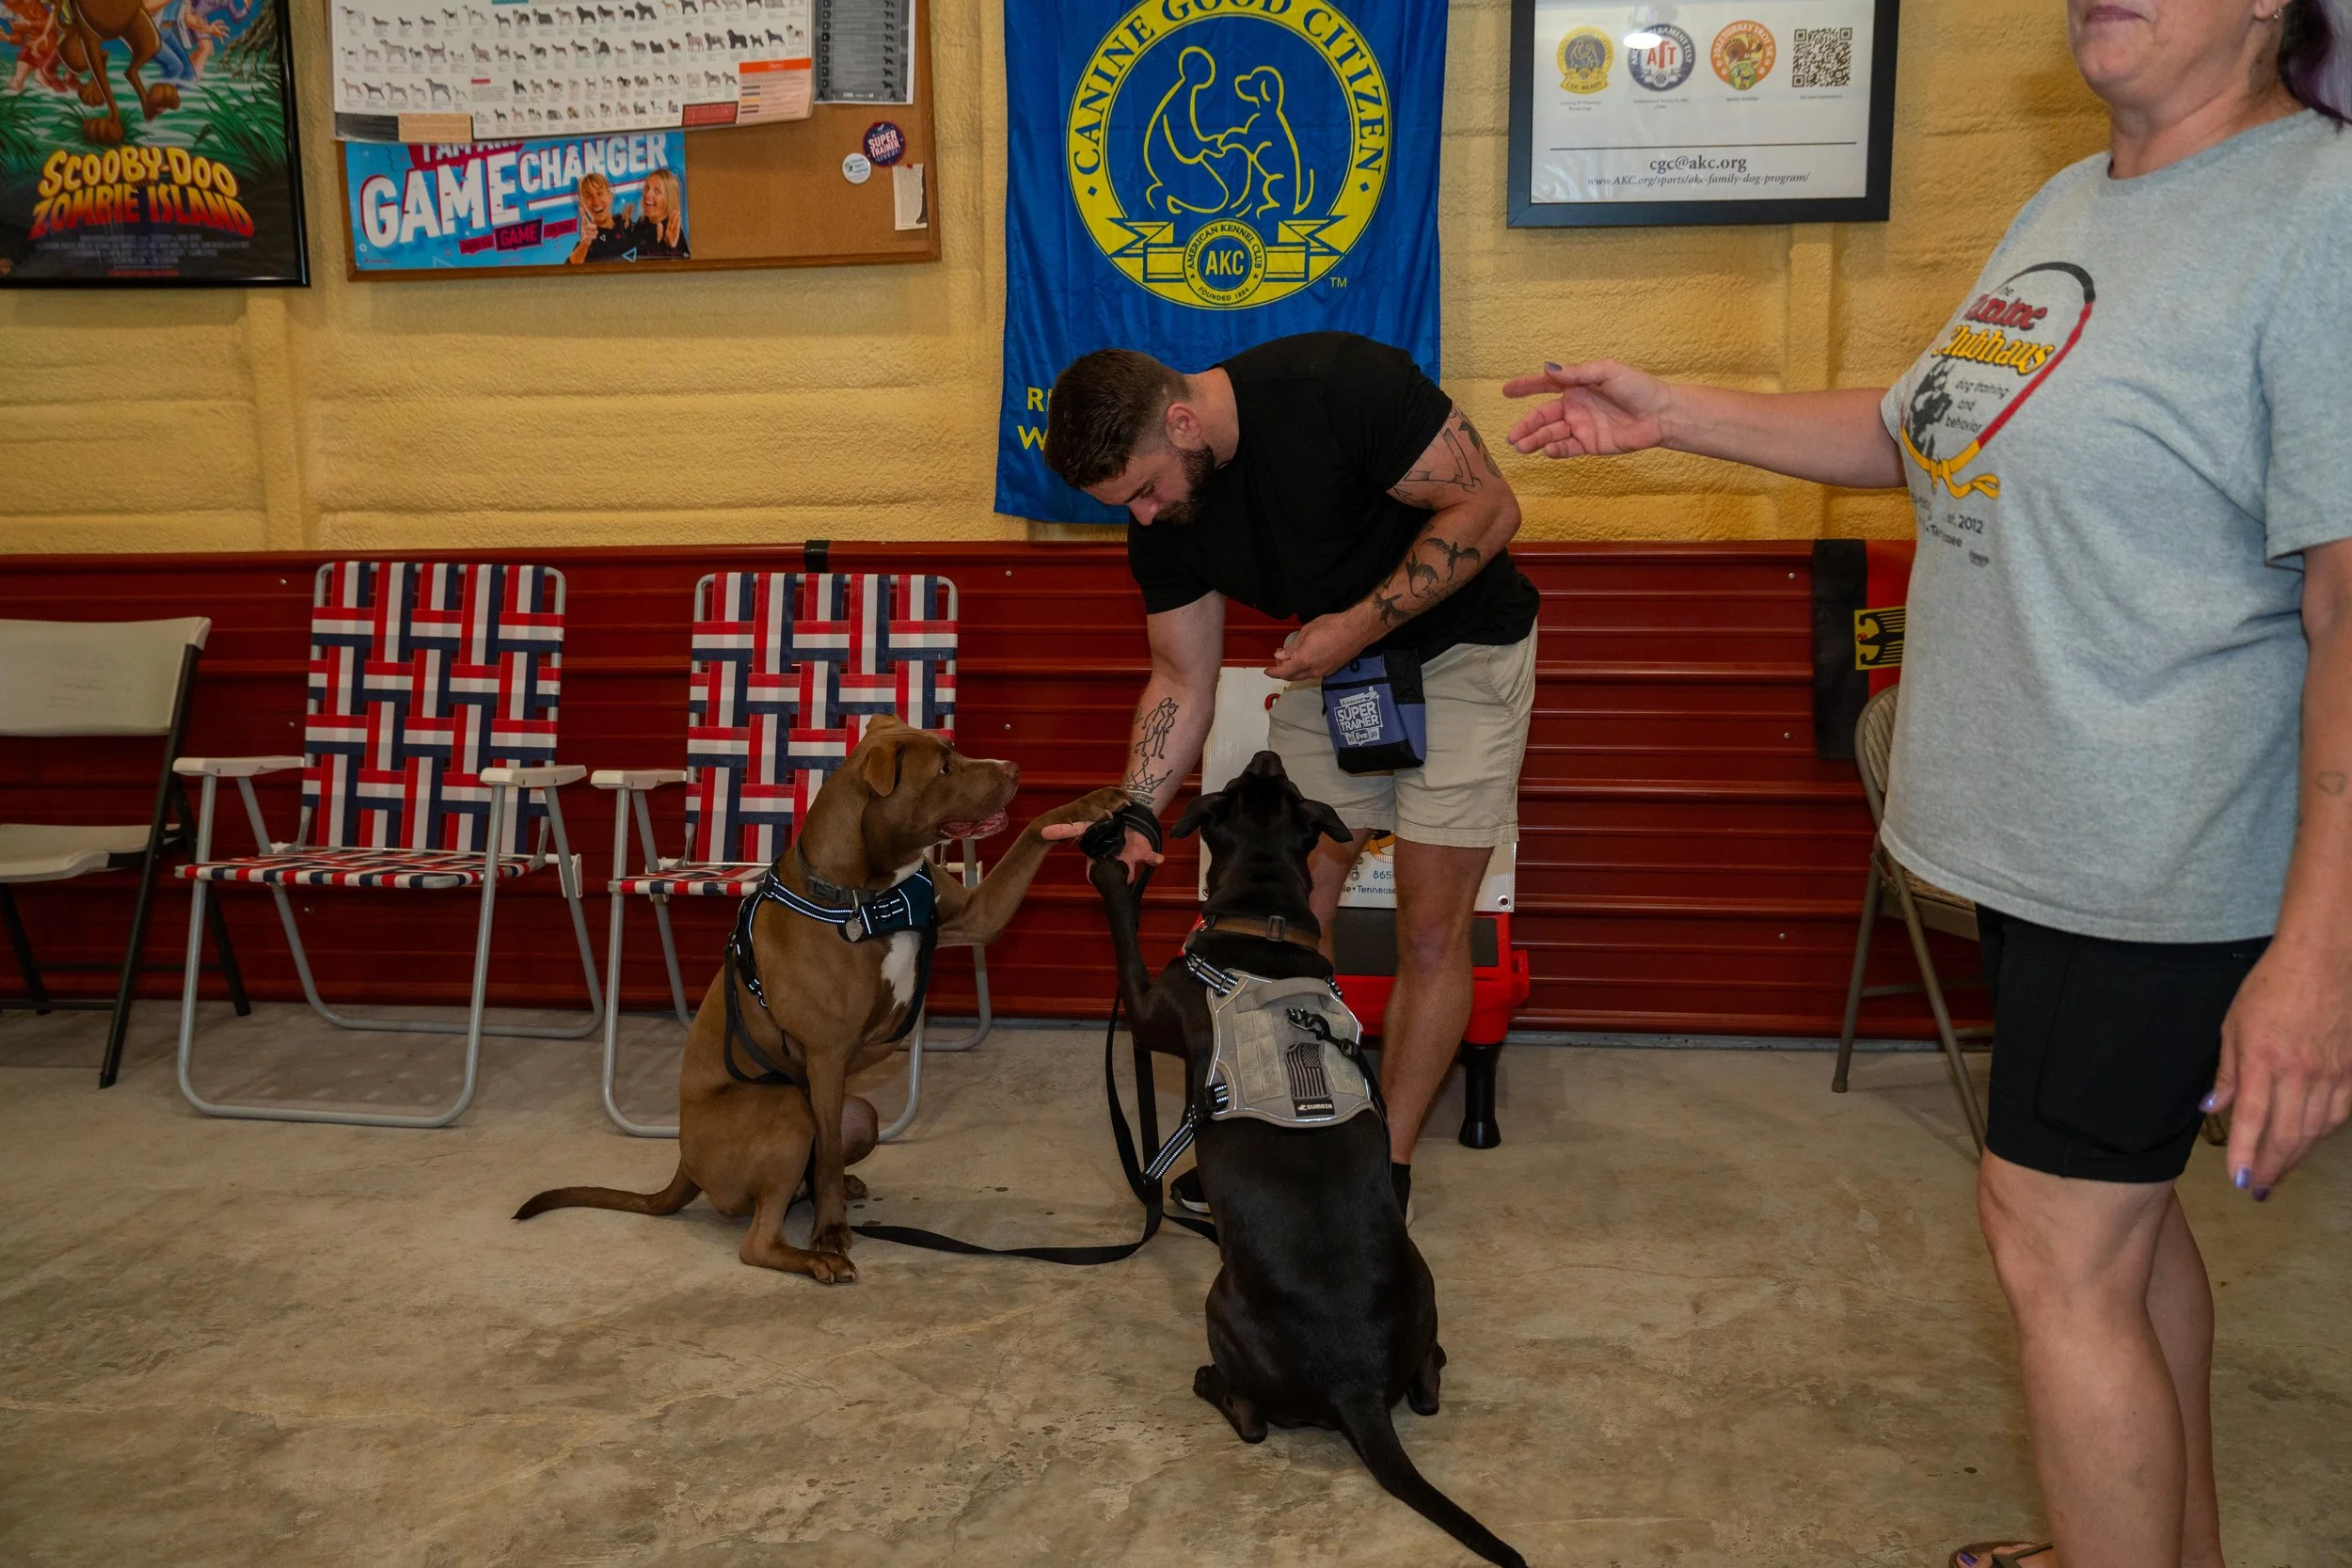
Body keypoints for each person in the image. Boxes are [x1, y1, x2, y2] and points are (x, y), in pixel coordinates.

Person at [1503, 3, 2352, 1564]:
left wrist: (2319, 952)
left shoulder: (2321, 215)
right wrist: (1673, 407)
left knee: (2054, 1250)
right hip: (2038, 842)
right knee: (2119, 1223)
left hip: (2157, 853)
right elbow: (1920, 432)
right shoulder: (2068, 203)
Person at [1042, 332, 1540, 1217]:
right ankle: (1282, 1132)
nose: (1146, 516)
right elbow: (1181, 677)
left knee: (1430, 926)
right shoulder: (1163, 517)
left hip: (1464, 650)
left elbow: (1491, 510)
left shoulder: (1337, 386)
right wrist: (1139, 814)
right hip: (1338, 667)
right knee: (1280, 916)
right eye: (1127, 504)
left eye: (1146, 489)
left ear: (1184, 421)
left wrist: (1356, 623)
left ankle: (1377, 1171)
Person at [628, 167, 689, 260]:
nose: (647, 195)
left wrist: (670, 248)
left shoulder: (675, 233)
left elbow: (682, 270)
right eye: (647, 188)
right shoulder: (641, 223)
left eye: (657, 191)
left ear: (669, 199)